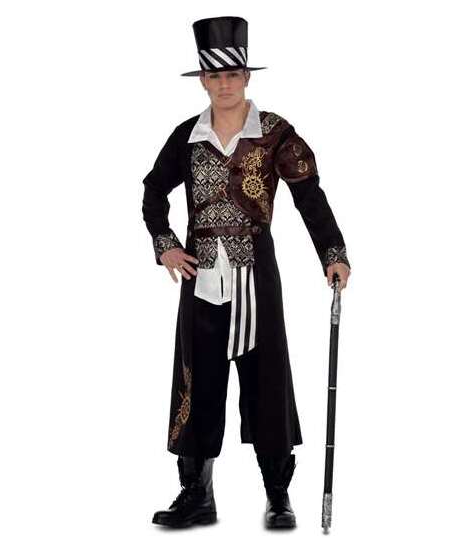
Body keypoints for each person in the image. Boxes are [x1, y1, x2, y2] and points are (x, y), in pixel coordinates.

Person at [142, 16, 351, 529]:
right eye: (215, 76)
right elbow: (153, 190)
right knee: (198, 381)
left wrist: (333, 252)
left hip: (257, 277)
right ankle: (197, 494)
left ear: (246, 77)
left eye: (233, 74)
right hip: (200, 280)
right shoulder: (187, 138)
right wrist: (166, 245)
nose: (225, 84)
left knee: (267, 381)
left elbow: (310, 197)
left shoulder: (275, 134)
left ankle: (278, 494)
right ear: (204, 80)